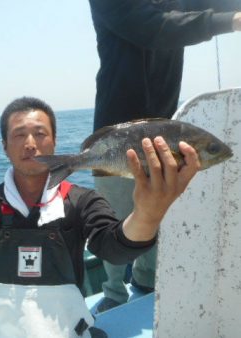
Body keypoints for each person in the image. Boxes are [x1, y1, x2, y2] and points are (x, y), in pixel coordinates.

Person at [0, 96, 200, 338]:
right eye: (19, 135)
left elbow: (112, 247)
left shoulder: (82, 200)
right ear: (4, 146)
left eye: (40, 133)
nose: (31, 144)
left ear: (54, 141)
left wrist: (148, 213)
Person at [88, 0, 241, 313]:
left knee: (159, 210)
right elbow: (154, 27)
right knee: (114, 215)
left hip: (164, 128)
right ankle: (113, 293)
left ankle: (145, 282)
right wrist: (232, 20)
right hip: (115, 133)